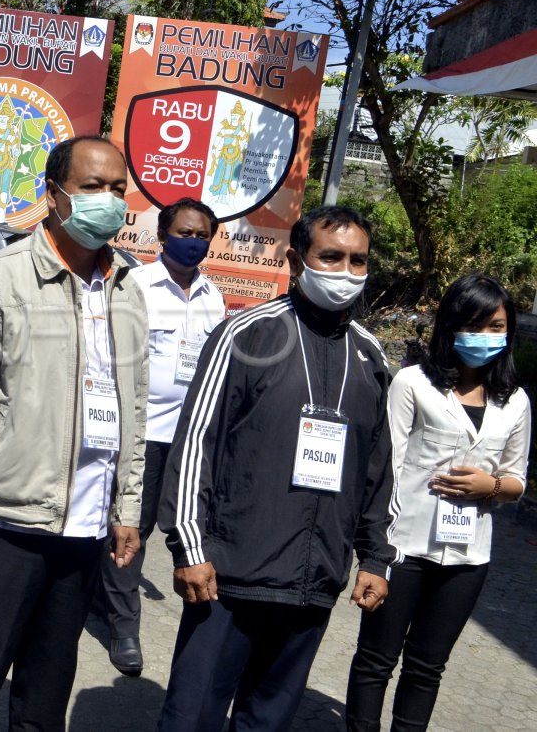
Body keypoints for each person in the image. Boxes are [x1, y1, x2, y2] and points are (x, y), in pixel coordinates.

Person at [0, 135, 148, 730]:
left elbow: (133, 410)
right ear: (54, 195)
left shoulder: (127, 288)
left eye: (118, 188)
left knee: (44, 704)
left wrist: (125, 506)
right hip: (1, 529)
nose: (109, 200)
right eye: (93, 187)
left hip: (82, 536)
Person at [157, 206, 398, 732]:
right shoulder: (247, 334)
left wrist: (377, 558)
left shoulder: (371, 356)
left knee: (267, 721)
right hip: (229, 575)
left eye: (358, 261)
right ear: (295, 259)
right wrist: (190, 548)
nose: (346, 272)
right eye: (330, 257)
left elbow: (378, 471)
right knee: (192, 717)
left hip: (314, 581)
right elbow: (197, 441)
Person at [345, 274, 530, 731]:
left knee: (428, 668)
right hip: (404, 546)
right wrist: (374, 552)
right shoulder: (413, 383)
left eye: (496, 326)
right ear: (449, 325)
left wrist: (490, 486)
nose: (485, 337)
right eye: (474, 324)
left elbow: (517, 480)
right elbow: (386, 467)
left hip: (468, 557)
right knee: (375, 660)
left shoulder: (516, 401)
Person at [98, 198, 225, 677]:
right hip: (143, 434)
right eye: (185, 233)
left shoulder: (214, 296)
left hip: (192, 438)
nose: (193, 242)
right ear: (161, 236)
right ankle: (123, 626)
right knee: (132, 527)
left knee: (188, 527)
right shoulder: (136, 288)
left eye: (202, 236)